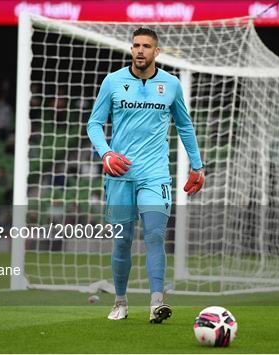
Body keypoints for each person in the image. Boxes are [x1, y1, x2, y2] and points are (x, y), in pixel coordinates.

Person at [86, 28, 204, 323]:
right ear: (131, 49)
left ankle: (156, 303)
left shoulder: (171, 84)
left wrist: (197, 165)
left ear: (156, 52)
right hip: (120, 175)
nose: (140, 50)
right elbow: (94, 124)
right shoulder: (112, 82)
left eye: (146, 46)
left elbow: (185, 127)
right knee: (123, 241)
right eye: (136, 45)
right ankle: (120, 301)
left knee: (154, 235)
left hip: (155, 175)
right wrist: (106, 153)